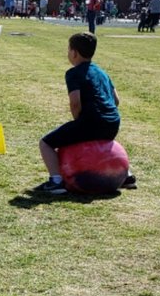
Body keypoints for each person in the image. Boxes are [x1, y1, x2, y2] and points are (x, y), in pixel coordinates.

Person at [36, 32, 134, 195]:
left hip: (90, 122)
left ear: (74, 53)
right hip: (113, 123)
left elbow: (75, 102)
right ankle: (126, 176)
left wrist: (78, 122)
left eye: (68, 49)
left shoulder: (73, 73)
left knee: (46, 143)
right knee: (101, 141)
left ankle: (56, 181)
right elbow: (116, 100)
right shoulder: (102, 72)